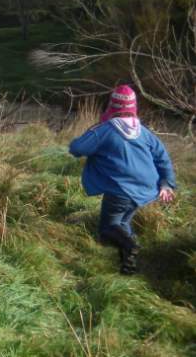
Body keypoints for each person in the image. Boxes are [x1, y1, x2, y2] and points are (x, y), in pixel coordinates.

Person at [68, 85, 177, 275]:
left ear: (112, 105)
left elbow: (77, 148)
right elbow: (162, 157)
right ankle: (129, 267)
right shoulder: (144, 132)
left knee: (107, 228)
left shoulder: (106, 130)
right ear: (133, 107)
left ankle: (131, 246)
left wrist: (93, 133)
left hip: (121, 189)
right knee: (122, 224)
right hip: (145, 189)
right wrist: (166, 183)